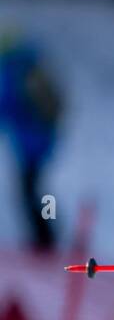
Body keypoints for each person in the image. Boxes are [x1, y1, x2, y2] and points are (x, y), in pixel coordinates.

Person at [0, 31, 63, 251]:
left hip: (31, 141)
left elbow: (6, 105)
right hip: (43, 138)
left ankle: (45, 238)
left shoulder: (12, 70)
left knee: (28, 189)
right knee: (33, 187)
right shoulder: (30, 66)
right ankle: (46, 235)